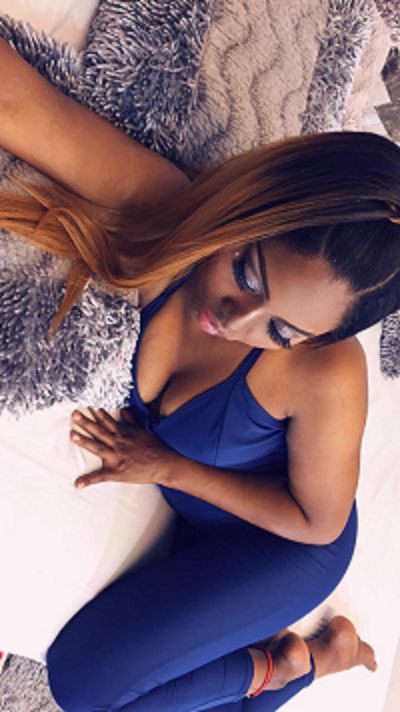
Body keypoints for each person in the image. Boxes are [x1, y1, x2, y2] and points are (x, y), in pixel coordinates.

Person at [0, 38, 398, 710]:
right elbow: (19, 104)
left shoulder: (327, 374)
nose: (238, 320)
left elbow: (316, 522)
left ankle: (291, 669)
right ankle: (304, 660)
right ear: (250, 202)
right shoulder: (164, 208)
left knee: (82, 687)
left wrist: (168, 467)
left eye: (281, 332)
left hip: (283, 549)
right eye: (247, 272)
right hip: (209, 521)